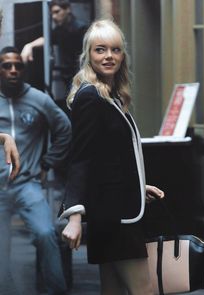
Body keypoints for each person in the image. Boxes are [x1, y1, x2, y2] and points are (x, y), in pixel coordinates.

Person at [60, 19, 165, 295]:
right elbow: (81, 157)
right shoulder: (90, 97)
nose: (109, 56)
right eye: (100, 50)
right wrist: (73, 215)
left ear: (123, 55)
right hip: (116, 218)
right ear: (88, 55)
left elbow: (107, 159)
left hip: (114, 211)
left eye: (115, 50)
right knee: (144, 291)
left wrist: (138, 186)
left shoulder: (109, 97)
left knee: (114, 290)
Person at [0, 46, 71, 295]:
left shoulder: (38, 99)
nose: (13, 70)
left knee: (46, 233)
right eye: (7, 65)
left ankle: (57, 291)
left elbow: (64, 129)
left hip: (26, 183)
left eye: (18, 66)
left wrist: (47, 162)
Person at [21, 0, 87, 87]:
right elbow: (47, 39)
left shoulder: (81, 29)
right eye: (52, 13)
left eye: (57, 12)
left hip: (82, 76)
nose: (54, 17)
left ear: (68, 9)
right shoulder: (60, 30)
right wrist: (29, 46)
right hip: (69, 77)